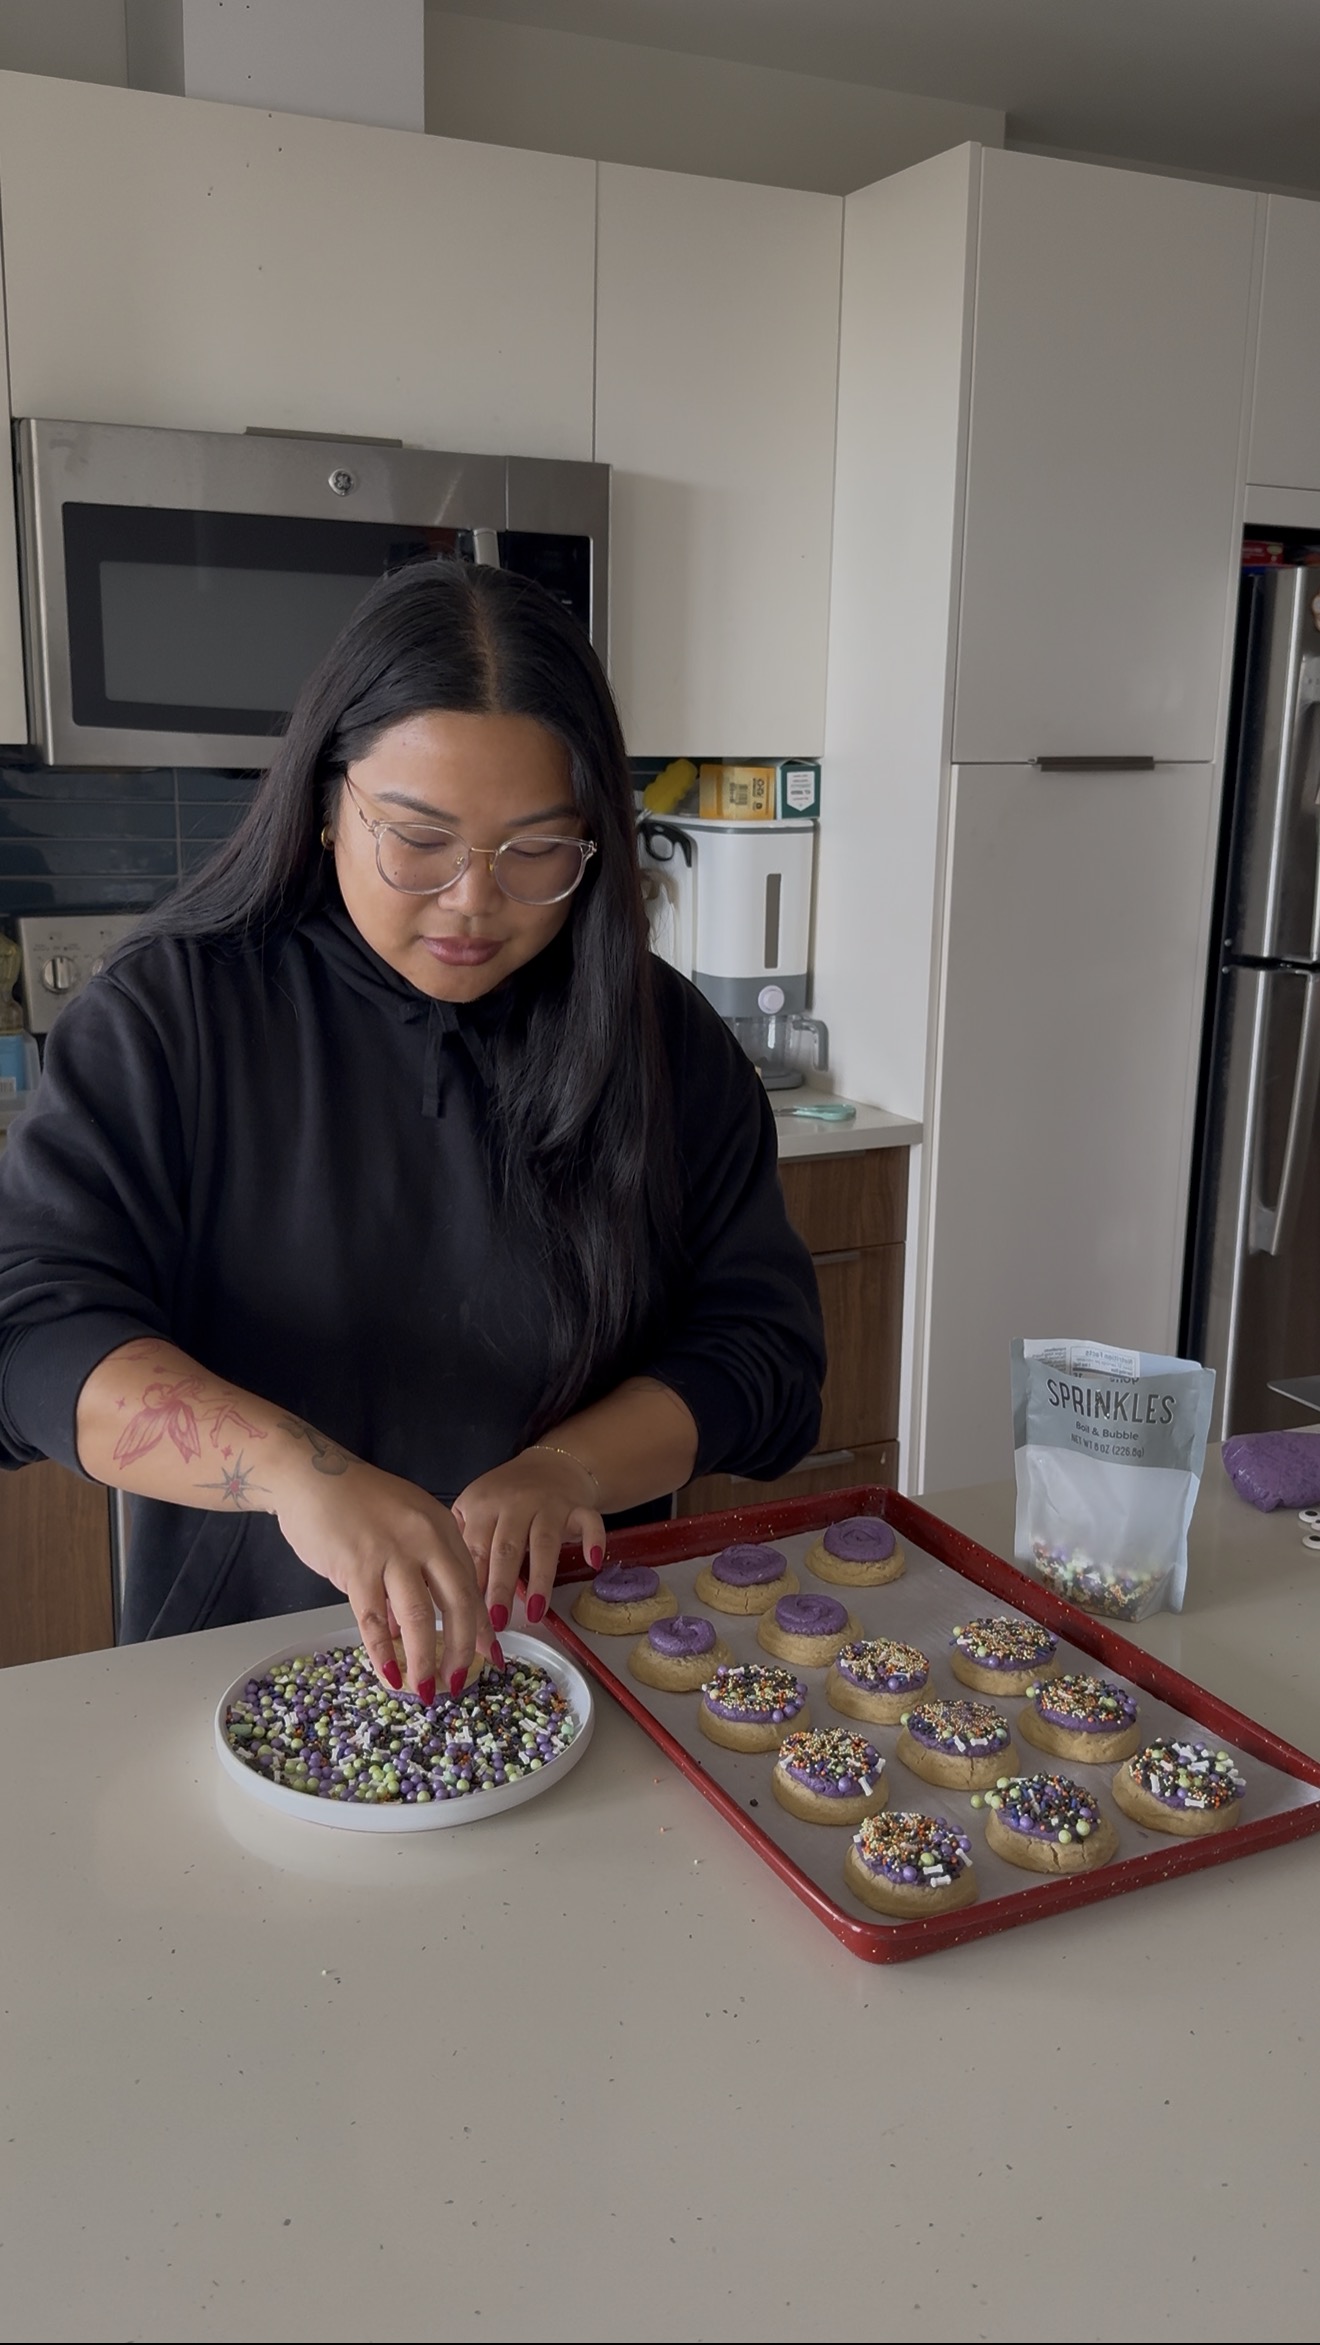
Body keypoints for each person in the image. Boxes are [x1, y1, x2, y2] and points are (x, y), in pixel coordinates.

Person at [0, 562, 824, 1701]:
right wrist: (299, 1473)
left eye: (536, 850)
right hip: (242, 1671)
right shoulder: (172, 1018)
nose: (472, 901)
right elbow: (32, 1337)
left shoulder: (661, 1039)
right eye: (419, 838)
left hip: (584, 1665)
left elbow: (765, 1358)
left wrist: (565, 1465)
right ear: (330, 798)